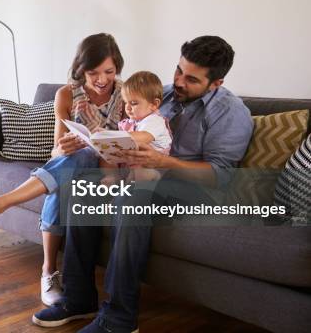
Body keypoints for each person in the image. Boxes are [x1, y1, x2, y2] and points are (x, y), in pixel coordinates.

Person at [31, 35, 254, 332]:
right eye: (178, 70)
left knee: (132, 196)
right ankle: (78, 297)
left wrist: (166, 163)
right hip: (147, 174)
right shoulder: (164, 95)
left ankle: (119, 318)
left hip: (194, 187)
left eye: (191, 79)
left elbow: (220, 176)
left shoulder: (231, 113)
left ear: (216, 82)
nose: (178, 81)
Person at [0, 33, 126, 306]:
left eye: (109, 71)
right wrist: (65, 148)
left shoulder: (126, 93)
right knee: (73, 164)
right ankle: (49, 272)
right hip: (75, 167)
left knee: (79, 162)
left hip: (111, 171)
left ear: (117, 66)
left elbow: (135, 138)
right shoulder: (67, 94)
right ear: (81, 69)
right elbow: (55, 152)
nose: (102, 79)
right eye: (93, 72)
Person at [111, 71, 172, 183]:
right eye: (126, 102)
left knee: (140, 170)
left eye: (133, 103)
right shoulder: (133, 121)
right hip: (134, 164)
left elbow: (143, 137)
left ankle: (137, 188)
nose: (128, 108)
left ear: (154, 104)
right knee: (107, 156)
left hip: (153, 167)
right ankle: (113, 177)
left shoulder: (155, 120)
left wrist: (112, 136)